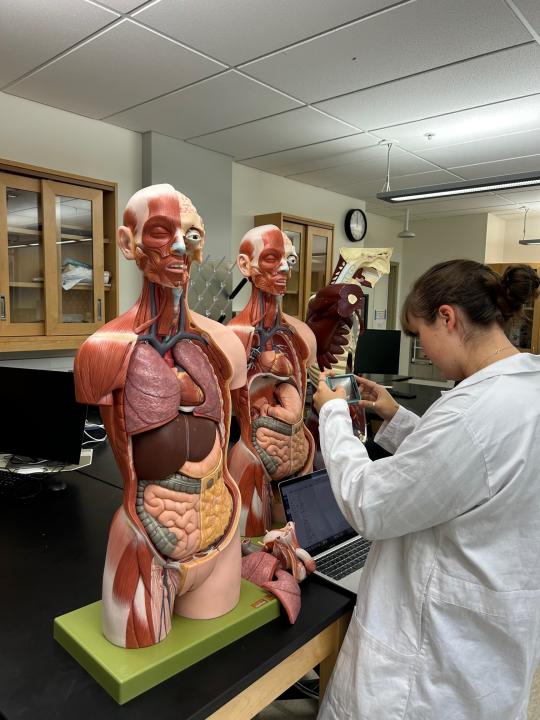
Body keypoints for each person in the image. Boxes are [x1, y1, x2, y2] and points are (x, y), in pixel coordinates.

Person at [312, 259, 540, 719]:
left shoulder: (470, 413)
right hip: (489, 641)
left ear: (447, 317)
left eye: (420, 336)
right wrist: (395, 418)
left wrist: (333, 413)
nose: (424, 351)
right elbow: (471, 471)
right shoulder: (525, 387)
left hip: (430, 669)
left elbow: (370, 503)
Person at [75, 184, 247, 648]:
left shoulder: (223, 346)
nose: (177, 246)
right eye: (160, 232)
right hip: (148, 539)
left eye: (189, 235)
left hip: (221, 528)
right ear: (129, 244)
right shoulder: (104, 351)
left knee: (217, 667)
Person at [227, 224, 316, 537]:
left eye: (289, 261)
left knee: (304, 540)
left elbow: (302, 400)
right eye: (271, 258)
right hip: (252, 462)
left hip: (296, 457)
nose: (283, 268)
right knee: (251, 545)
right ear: (245, 265)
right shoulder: (232, 338)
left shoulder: (300, 335)